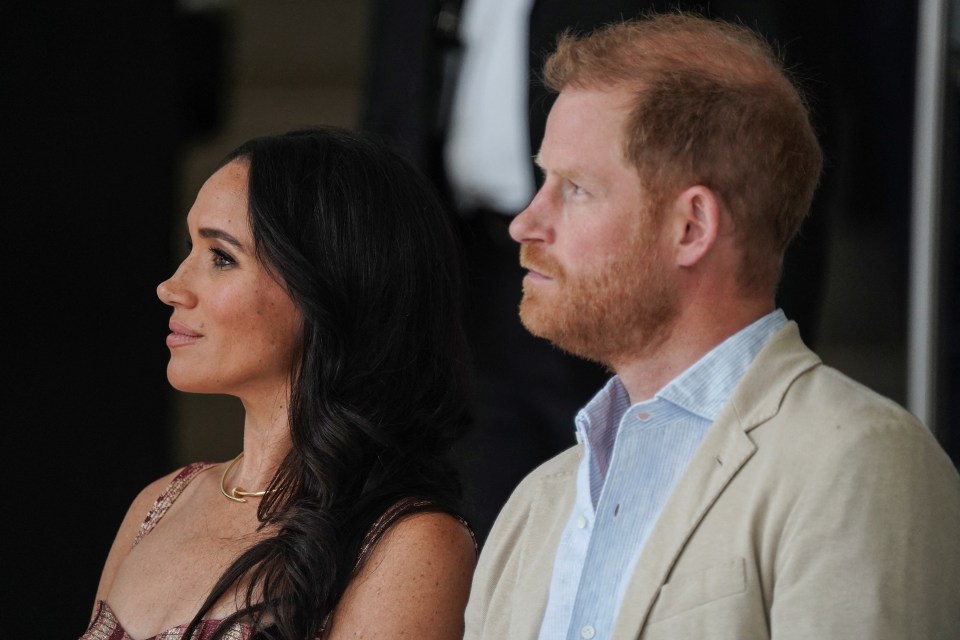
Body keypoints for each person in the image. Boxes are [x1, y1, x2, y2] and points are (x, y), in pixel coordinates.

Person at [464, 13, 960, 639]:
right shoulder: (535, 505)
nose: (524, 223)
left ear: (692, 226)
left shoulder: (858, 460)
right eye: (543, 181)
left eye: (576, 189)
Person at [360, 0, 840, 545]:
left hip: (647, 283)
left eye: (575, 186)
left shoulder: (845, 464)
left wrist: (762, 348)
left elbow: (772, 148)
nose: (528, 222)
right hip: (461, 271)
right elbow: (390, 90)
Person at [81, 127, 477, 640]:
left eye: (221, 257)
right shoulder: (159, 504)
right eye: (190, 247)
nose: (171, 287)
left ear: (329, 287)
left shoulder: (411, 544)